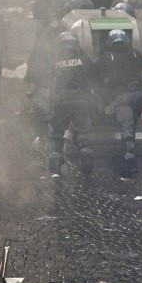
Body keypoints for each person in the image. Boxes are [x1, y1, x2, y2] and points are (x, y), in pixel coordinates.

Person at [96, 29, 142, 177]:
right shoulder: (134, 53)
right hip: (140, 95)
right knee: (132, 123)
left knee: (127, 126)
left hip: (123, 98)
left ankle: (129, 160)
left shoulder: (107, 56)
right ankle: (129, 153)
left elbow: (93, 70)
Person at [48, 32, 95, 176]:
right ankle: (86, 155)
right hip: (80, 98)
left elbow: (48, 78)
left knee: (58, 133)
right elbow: (92, 72)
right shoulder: (83, 59)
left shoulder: (55, 60)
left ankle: (56, 160)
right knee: (82, 133)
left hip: (61, 99)